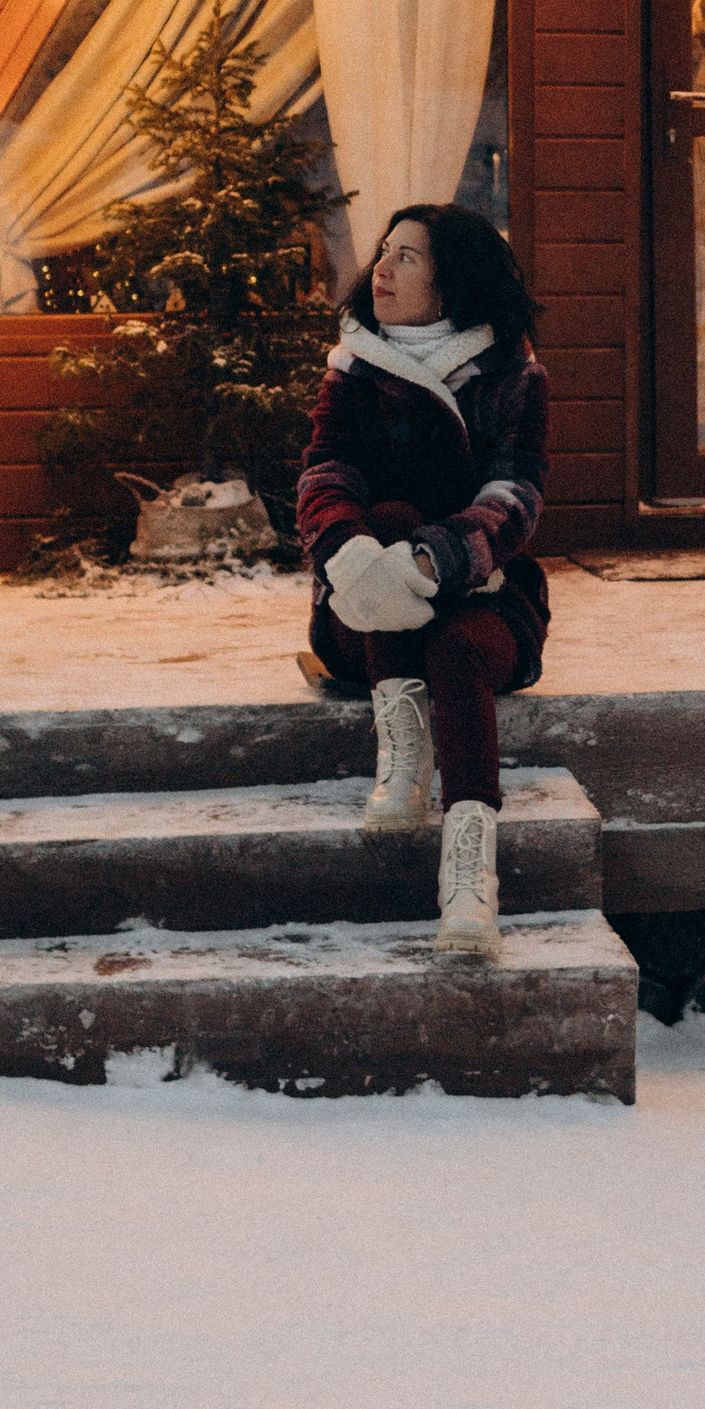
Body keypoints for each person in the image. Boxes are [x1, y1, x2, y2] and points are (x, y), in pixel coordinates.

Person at [295, 203, 548, 960]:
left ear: (453, 280)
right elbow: (325, 471)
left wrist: (434, 559)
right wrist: (349, 552)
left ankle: (470, 877)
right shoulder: (353, 368)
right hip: (362, 602)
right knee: (393, 512)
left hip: (481, 591)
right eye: (385, 250)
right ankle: (403, 756)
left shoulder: (511, 373)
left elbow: (516, 495)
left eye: (409, 256)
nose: (383, 267)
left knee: (459, 650)